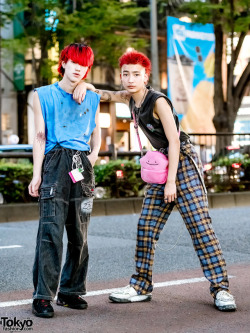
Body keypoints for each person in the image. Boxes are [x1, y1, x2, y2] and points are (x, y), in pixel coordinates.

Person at [74, 50, 236, 312]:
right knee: (146, 227)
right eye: (125, 74)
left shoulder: (158, 101)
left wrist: (171, 182)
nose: (130, 78)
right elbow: (107, 95)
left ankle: (222, 289)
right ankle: (140, 286)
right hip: (162, 165)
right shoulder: (130, 98)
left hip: (182, 164)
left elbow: (174, 141)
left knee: (200, 228)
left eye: (136, 74)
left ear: (145, 76)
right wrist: (85, 84)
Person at [28, 43, 101, 318]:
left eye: (84, 64)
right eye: (74, 61)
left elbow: (97, 132)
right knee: (50, 231)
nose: (78, 67)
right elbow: (39, 136)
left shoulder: (93, 96)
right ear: (64, 62)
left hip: (81, 167)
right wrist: (37, 173)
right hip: (54, 164)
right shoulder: (42, 95)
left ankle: (70, 291)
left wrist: (91, 157)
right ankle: (43, 296)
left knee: (80, 234)